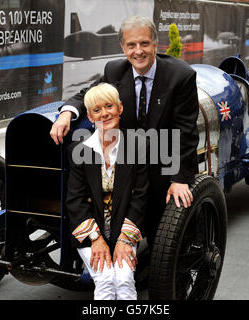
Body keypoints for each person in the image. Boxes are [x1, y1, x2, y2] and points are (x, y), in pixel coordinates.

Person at [54, 15, 199, 243]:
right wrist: (66, 113)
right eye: (131, 45)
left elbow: (186, 131)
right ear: (123, 47)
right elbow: (88, 95)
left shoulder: (181, 76)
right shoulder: (115, 71)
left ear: (155, 44)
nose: (138, 51)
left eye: (144, 43)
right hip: (127, 162)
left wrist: (179, 179)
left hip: (161, 162)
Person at [66, 83, 148, 300]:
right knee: (104, 280)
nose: (104, 114)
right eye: (96, 110)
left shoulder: (138, 146)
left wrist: (124, 240)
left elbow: (140, 198)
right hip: (91, 231)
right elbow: (75, 201)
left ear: (120, 108)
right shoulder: (79, 151)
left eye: (109, 106)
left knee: (123, 280)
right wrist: (96, 239)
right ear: (90, 118)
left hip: (124, 229)